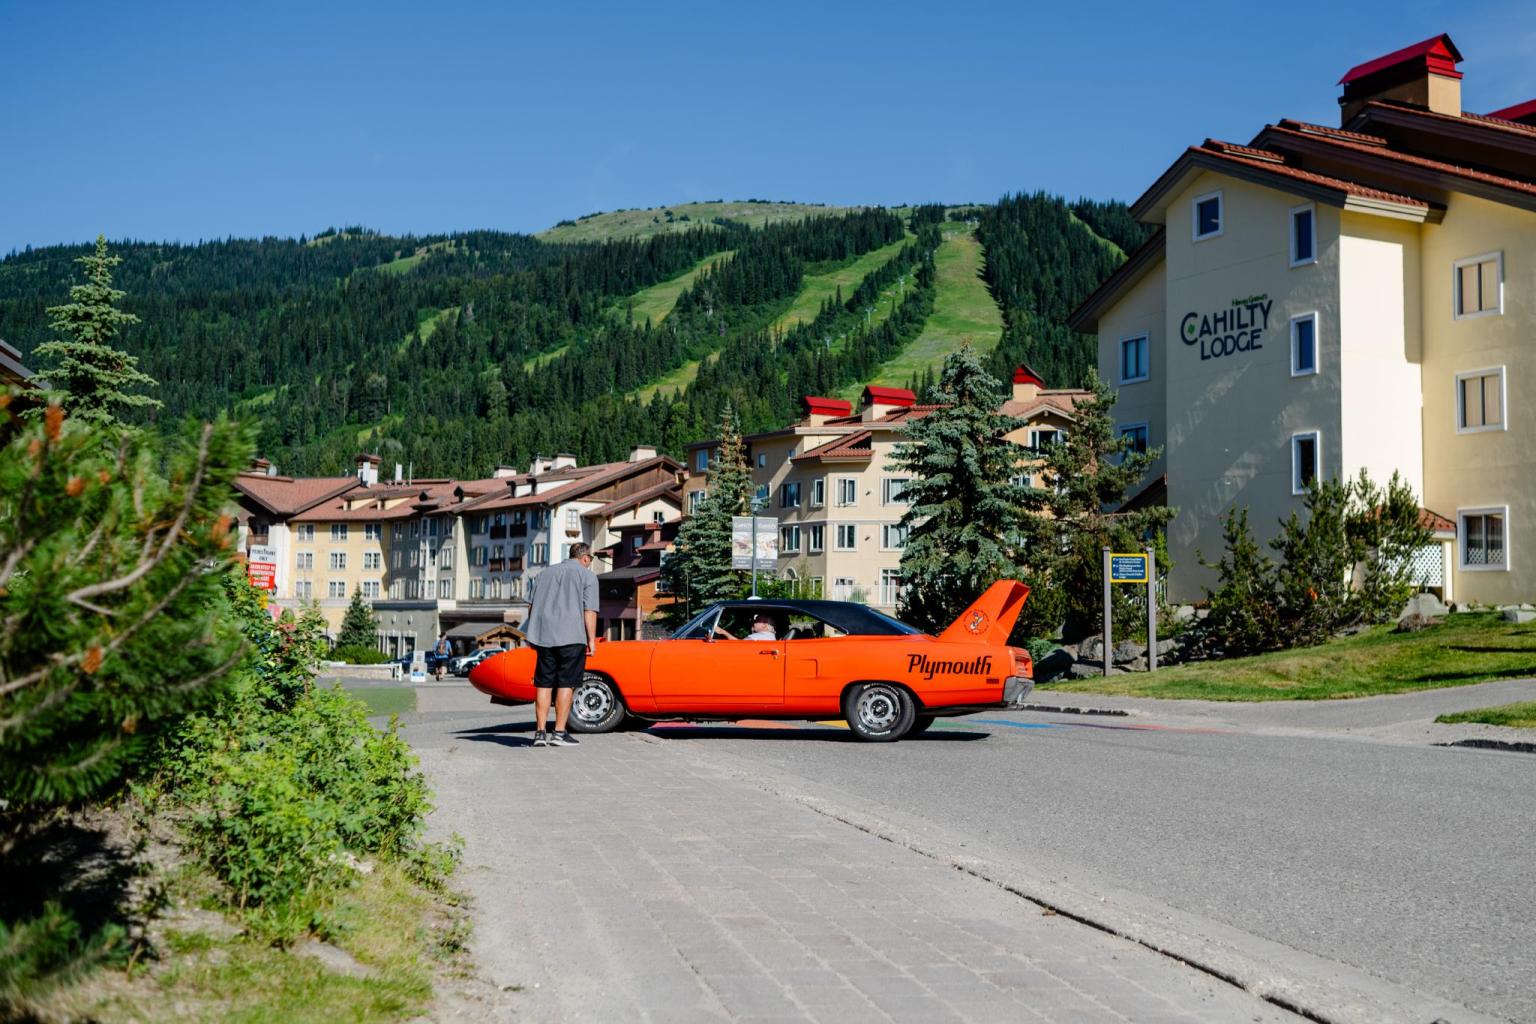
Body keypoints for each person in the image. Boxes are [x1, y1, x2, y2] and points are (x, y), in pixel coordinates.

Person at [522, 542, 599, 748]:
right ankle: (559, 733)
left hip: (544, 636)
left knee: (544, 683)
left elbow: (532, 607)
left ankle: (539, 733)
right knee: (566, 683)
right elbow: (589, 611)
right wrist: (591, 639)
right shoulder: (587, 576)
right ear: (585, 558)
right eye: (590, 560)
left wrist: (533, 633)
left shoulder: (543, 574)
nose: (590, 563)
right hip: (572, 637)